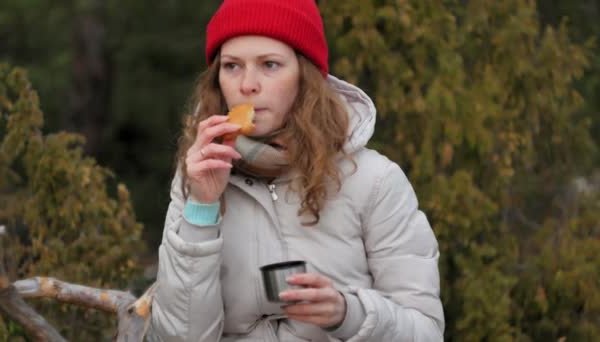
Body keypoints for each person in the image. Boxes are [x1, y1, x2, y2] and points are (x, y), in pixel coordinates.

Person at [149, 0, 444, 341]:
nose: (247, 85)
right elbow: (177, 337)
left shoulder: (375, 181)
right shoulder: (200, 172)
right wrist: (201, 208)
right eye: (232, 66)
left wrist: (347, 314)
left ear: (306, 78)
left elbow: (425, 332)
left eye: (270, 64)